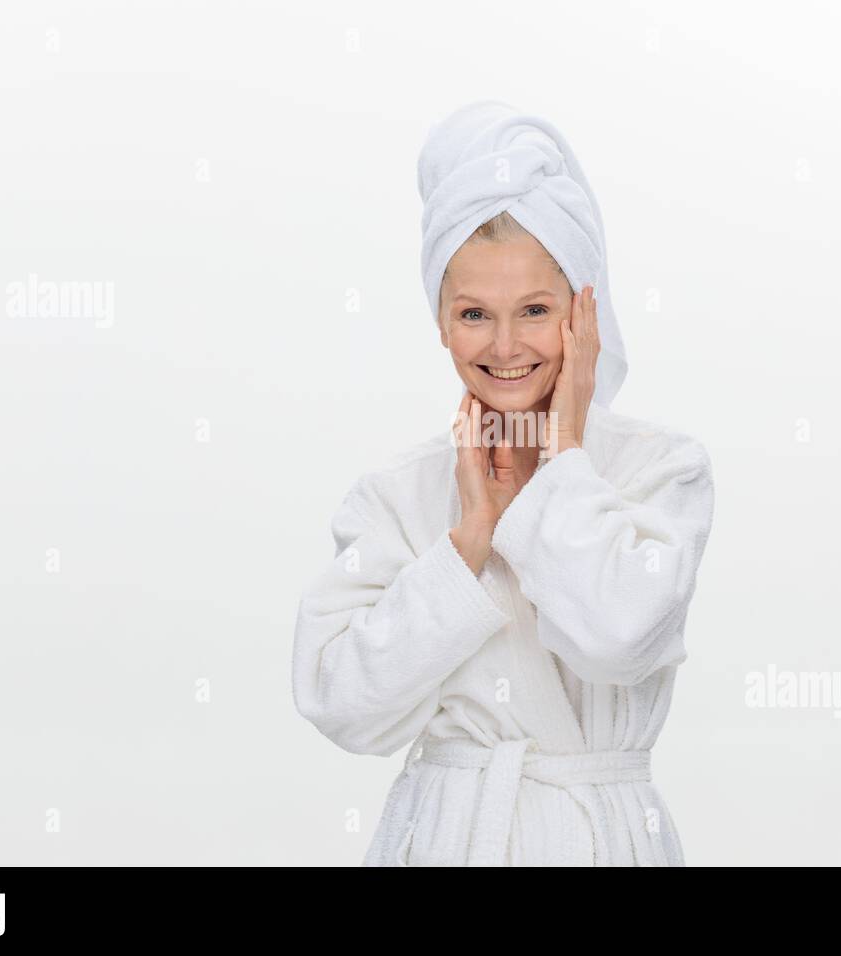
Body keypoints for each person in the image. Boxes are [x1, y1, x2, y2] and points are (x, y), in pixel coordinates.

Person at [292, 102, 715, 865]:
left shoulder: (661, 470)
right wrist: (466, 545)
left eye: (536, 310)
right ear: (441, 322)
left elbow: (622, 638)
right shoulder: (399, 492)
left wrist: (562, 459)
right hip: (448, 837)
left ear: (583, 312)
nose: (507, 345)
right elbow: (341, 705)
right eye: (475, 313)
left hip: (602, 841)